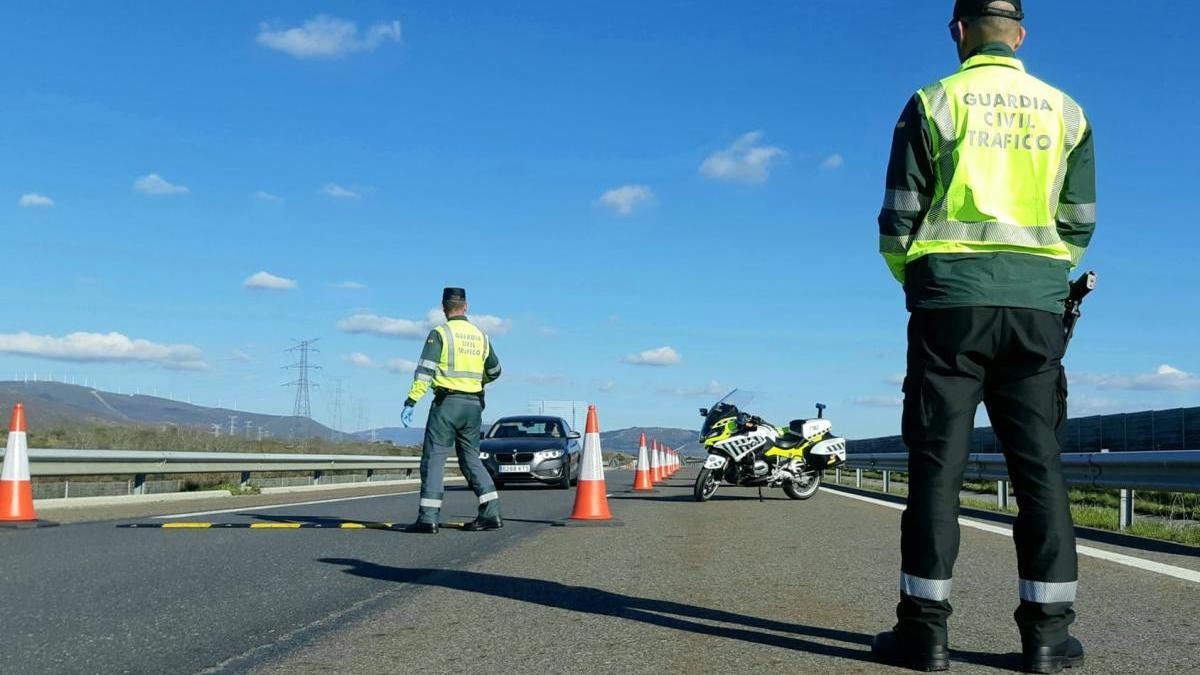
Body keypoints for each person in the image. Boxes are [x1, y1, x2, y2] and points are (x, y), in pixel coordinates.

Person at [872, 1, 1095, 672]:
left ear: (959, 32)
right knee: (1040, 471)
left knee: (937, 469)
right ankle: (1049, 639)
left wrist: (923, 281)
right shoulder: (1067, 110)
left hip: (949, 307)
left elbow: (897, 218)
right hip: (1036, 307)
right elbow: (1078, 220)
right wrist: (1045, 278)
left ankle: (925, 634)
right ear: (1021, 36)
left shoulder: (932, 101)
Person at [401, 287, 504, 534]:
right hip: (473, 405)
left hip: (447, 404)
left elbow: (425, 371)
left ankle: (428, 518)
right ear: (466, 306)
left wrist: (411, 401)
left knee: (435, 458)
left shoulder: (440, 334)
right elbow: (495, 371)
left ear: (443, 307)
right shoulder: (481, 336)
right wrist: (476, 383)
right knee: (471, 458)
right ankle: (491, 513)